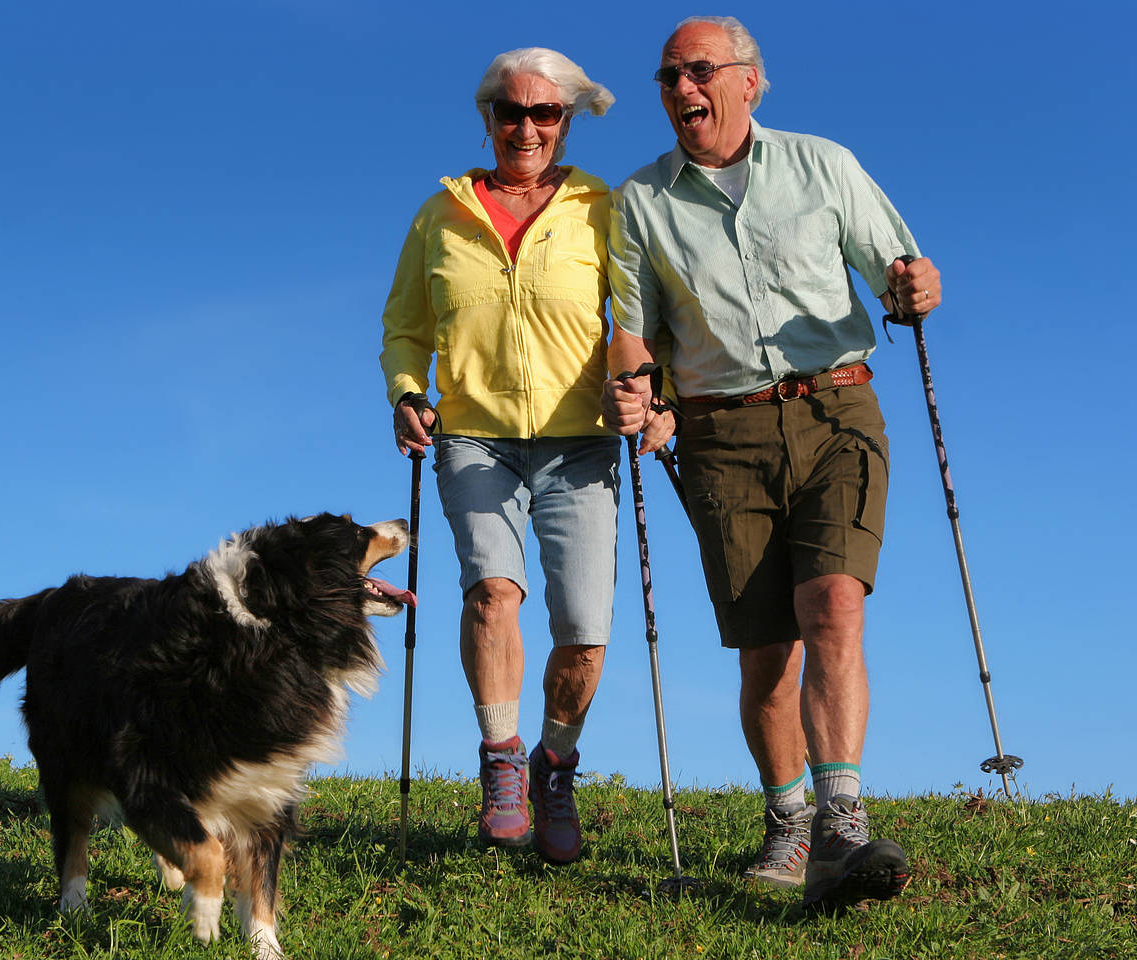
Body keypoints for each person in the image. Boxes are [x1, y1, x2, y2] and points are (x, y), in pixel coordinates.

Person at [602, 16, 941, 908]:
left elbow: (899, 272)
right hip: (721, 434)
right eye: (669, 77)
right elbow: (634, 332)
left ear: (749, 81)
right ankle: (788, 822)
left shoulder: (824, 164)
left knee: (832, 603)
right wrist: (634, 390)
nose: (683, 90)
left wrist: (916, 288)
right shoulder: (638, 201)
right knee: (766, 653)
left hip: (835, 407)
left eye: (699, 72)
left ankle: (840, 821)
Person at [379, 48, 617, 865]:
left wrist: (645, 391)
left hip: (580, 438)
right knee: (492, 595)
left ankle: (556, 763)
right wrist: (410, 391)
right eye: (510, 112)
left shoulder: (601, 207)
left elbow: (643, 315)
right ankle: (502, 761)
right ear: (487, 119)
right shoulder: (439, 214)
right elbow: (406, 326)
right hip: (473, 433)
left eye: (544, 114)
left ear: (566, 122)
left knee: (584, 632)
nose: (526, 127)